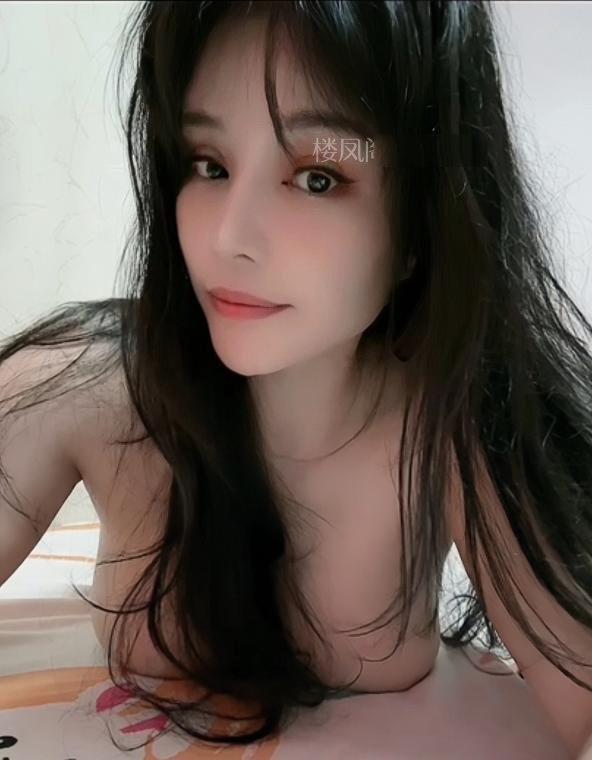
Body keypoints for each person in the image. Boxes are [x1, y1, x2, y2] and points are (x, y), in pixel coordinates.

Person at [1, 0, 591, 754]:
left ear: (425, 220)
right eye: (209, 165)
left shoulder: (456, 422)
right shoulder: (89, 382)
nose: (229, 236)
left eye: (317, 177)